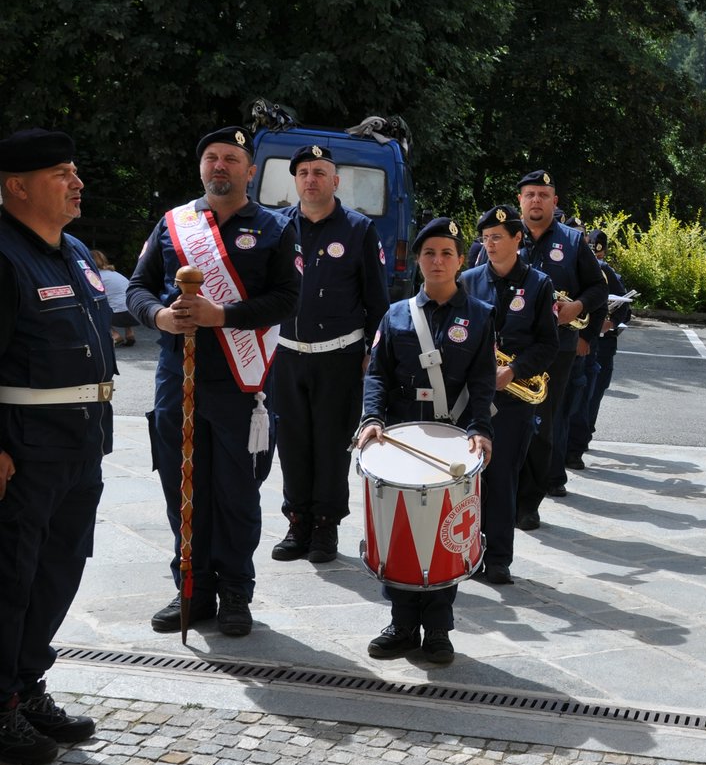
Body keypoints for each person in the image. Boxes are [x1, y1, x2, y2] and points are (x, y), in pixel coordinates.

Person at [127, 126, 299, 637]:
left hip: (240, 384)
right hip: (175, 377)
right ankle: (192, 590)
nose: (219, 166)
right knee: (181, 488)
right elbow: (137, 288)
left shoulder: (273, 227)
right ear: (201, 168)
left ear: (250, 170)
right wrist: (160, 317)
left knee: (236, 494)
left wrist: (221, 315)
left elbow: (287, 299)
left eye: (231, 158)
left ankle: (236, 595)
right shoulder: (173, 224)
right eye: (211, 158)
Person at [0, 129, 112, 765]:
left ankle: (25, 683)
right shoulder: (2, 254)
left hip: (81, 443)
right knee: (9, 578)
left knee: (56, 573)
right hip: (23, 446)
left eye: (75, 171)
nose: (77, 183)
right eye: (61, 174)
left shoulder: (72, 251)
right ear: (17, 186)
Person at [357, 218, 495, 663]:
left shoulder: (480, 316)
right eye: (429, 253)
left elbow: (483, 382)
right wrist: (371, 420)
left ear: (460, 261)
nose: (438, 261)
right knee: (398, 529)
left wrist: (480, 430)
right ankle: (400, 624)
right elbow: (376, 373)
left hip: (451, 440)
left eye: (447, 253)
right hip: (400, 439)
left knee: (443, 531)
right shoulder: (395, 315)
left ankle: (438, 630)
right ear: (418, 260)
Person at [269, 145, 389, 564]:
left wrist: (373, 354)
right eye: (303, 171)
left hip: (339, 356)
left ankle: (325, 527)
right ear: (295, 180)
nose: (311, 179)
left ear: (335, 180)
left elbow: (377, 298)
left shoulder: (358, 229)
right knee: (293, 442)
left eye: (320, 171)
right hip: (286, 356)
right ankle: (297, 520)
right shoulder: (278, 226)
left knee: (332, 443)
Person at [460, 206, 558, 584]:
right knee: (467, 479)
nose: (490, 244)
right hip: (469, 398)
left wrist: (513, 371)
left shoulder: (538, 284)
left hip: (513, 398)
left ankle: (498, 558)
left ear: (518, 239)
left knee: (502, 480)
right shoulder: (467, 281)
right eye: (485, 237)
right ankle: (464, 551)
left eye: (498, 237)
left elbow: (548, 344)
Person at [509, 171, 606, 514]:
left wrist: (578, 308)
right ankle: (503, 492)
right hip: (507, 347)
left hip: (556, 349)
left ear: (555, 201)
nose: (536, 200)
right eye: (530, 194)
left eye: (543, 195)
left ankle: (528, 503)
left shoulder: (573, 241)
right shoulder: (505, 235)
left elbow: (598, 288)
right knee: (504, 420)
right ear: (520, 199)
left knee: (542, 424)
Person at [567, 228, 630, 467]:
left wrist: (611, 323)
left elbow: (625, 309)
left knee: (586, 401)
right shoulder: (564, 270)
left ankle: (575, 449)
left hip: (594, 346)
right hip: (566, 346)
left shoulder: (604, 272)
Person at [92, 250, 136, 346]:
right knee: (122, 300)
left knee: (94, 308)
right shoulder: (116, 274)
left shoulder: (95, 277)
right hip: (134, 313)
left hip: (119, 315)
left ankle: (114, 335)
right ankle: (130, 333)